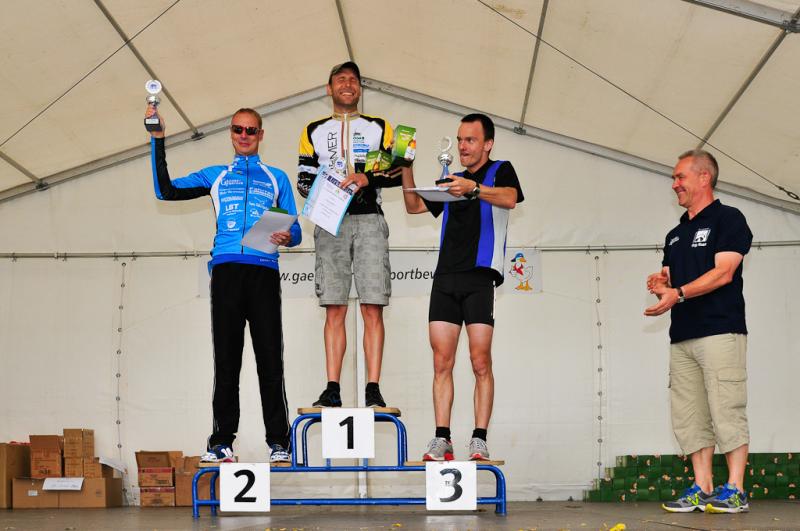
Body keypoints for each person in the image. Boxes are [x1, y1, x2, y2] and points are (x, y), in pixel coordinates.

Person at [146, 106, 302, 463]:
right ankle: (221, 441)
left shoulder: (276, 177)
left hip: (263, 271)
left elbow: (295, 230)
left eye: (251, 130)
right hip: (227, 271)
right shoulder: (215, 175)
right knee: (227, 361)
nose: (244, 136)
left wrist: (287, 237)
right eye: (238, 129)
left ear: (261, 135)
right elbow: (165, 191)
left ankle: (279, 442)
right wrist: (158, 140)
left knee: (270, 360)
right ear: (230, 133)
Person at [401, 113, 524, 461]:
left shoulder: (500, 170)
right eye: (459, 140)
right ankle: (442, 437)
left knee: (480, 360)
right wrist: (406, 166)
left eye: (470, 140)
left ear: (488, 144)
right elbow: (413, 205)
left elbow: (511, 198)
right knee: (442, 361)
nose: (463, 146)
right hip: (446, 277)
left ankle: (479, 438)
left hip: (480, 276)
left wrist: (475, 189)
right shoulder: (450, 180)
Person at [645, 149, 752, 513]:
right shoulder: (675, 234)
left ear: (704, 177)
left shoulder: (728, 218)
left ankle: (735, 489)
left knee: (727, 409)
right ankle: (702, 487)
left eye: (680, 177)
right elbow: (672, 282)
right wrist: (661, 285)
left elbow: (724, 272)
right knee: (689, 415)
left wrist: (678, 292)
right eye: (674, 178)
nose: (674, 184)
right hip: (682, 336)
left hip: (721, 331)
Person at [297, 61, 401, 408]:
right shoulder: (313, 129)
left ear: (359, 88)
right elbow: (303, 180)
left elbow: (397, 171)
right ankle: (332, 388)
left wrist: (366, 178)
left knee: (373, 306)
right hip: (330, 222)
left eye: (353, 80)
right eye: (340, 79)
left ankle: (373, 388)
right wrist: (327, 190)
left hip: (369, 218)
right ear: (329, 88)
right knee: (334, 307)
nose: (347, 84)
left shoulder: (378, 127)